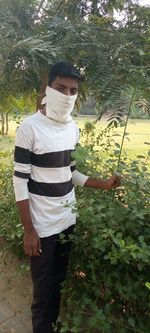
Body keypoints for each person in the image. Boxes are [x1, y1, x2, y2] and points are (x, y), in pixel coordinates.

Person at [13, 61, 120, 333]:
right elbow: (20, 180)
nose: (67, 95)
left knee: (58, 283)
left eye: (73, 90)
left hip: (67, 221)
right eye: (61, 88)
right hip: (42, 227)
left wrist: (103, 184)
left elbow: (69, 172)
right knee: (43, 291)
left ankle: (53, 326)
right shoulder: (30, 128)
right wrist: (29, 230)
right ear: (48, 90)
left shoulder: (73, 128)